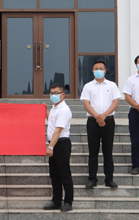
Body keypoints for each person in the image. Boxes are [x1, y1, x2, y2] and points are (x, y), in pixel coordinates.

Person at [80, 60, 120, 189]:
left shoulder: (112, 85)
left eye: (101, 68)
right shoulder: (88, 86)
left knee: (108, 151)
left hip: (108, 121)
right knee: (93, 152)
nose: (98, 70)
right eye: (96, 68)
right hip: (93, 122)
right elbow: (86, 104)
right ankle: (92, 179)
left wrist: (103, 116)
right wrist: (97, 117)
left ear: (105, 70)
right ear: (92, 71)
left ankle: (109, 179)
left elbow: (115, 103)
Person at [43, 83, 73, 212]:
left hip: (61, 144)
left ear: (62, 94)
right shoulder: (55, 108)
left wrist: (50, 147)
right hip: (55, 143)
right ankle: (56, 201)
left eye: (56, 93)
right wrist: (45, 111)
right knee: (54, 174)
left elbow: (58, 130)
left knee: (64, 173)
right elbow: (51, 121)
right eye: (52, 93)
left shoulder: (64, 109)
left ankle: (68, 202)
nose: (54, 95)